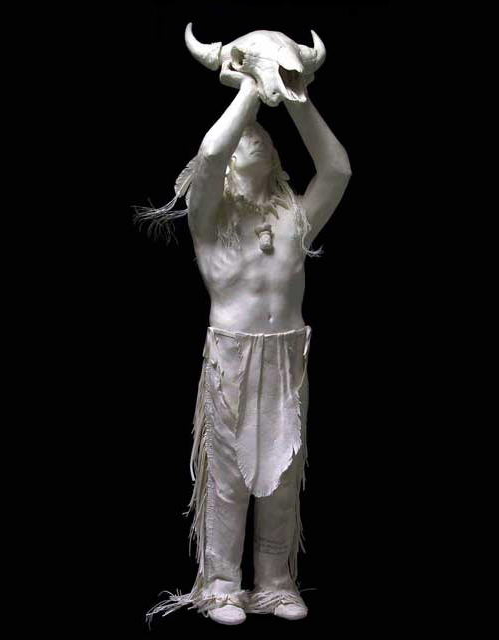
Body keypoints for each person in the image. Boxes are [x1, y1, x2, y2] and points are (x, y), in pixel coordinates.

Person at [139, 62, 351, 625]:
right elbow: (210, 153)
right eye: (244, 136)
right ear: (231, 165)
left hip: (286, 354)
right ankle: (221, 584)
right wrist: (254, 89)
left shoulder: (295, 218)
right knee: (228, 473)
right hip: (232, 355)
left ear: (277, 160)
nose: (252, 134)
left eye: (262, 134)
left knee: (284, 473)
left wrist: (296, 95)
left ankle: (275, 583)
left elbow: (337, 168)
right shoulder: (212, 219)